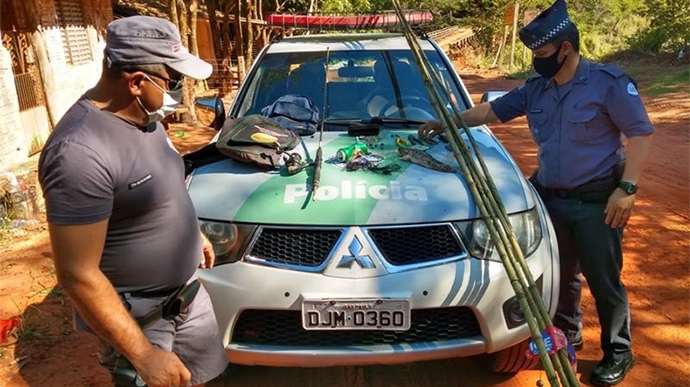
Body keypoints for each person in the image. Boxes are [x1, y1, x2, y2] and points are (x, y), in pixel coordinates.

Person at [418, 0, 653, 385]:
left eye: (542, 54)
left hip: (597, 202)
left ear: (565, 49)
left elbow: (641, 134)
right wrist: (448, 122)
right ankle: (567, 338)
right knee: (562, 278)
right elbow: (491, 113)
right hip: (550, 200)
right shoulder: (536, 89)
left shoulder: (607, 84)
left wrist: (627, 188)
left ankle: (619, 351)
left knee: (603, 278)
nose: (536, 61)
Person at [38, 16, 228, 387]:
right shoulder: (79, 152)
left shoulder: (146, 119)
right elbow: (77, 273)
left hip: (187, 295)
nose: (179, 89)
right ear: (138, 82)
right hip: (141, 319)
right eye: (174, 80)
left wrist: (193, 235)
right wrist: (143, 354)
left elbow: (161, 186)